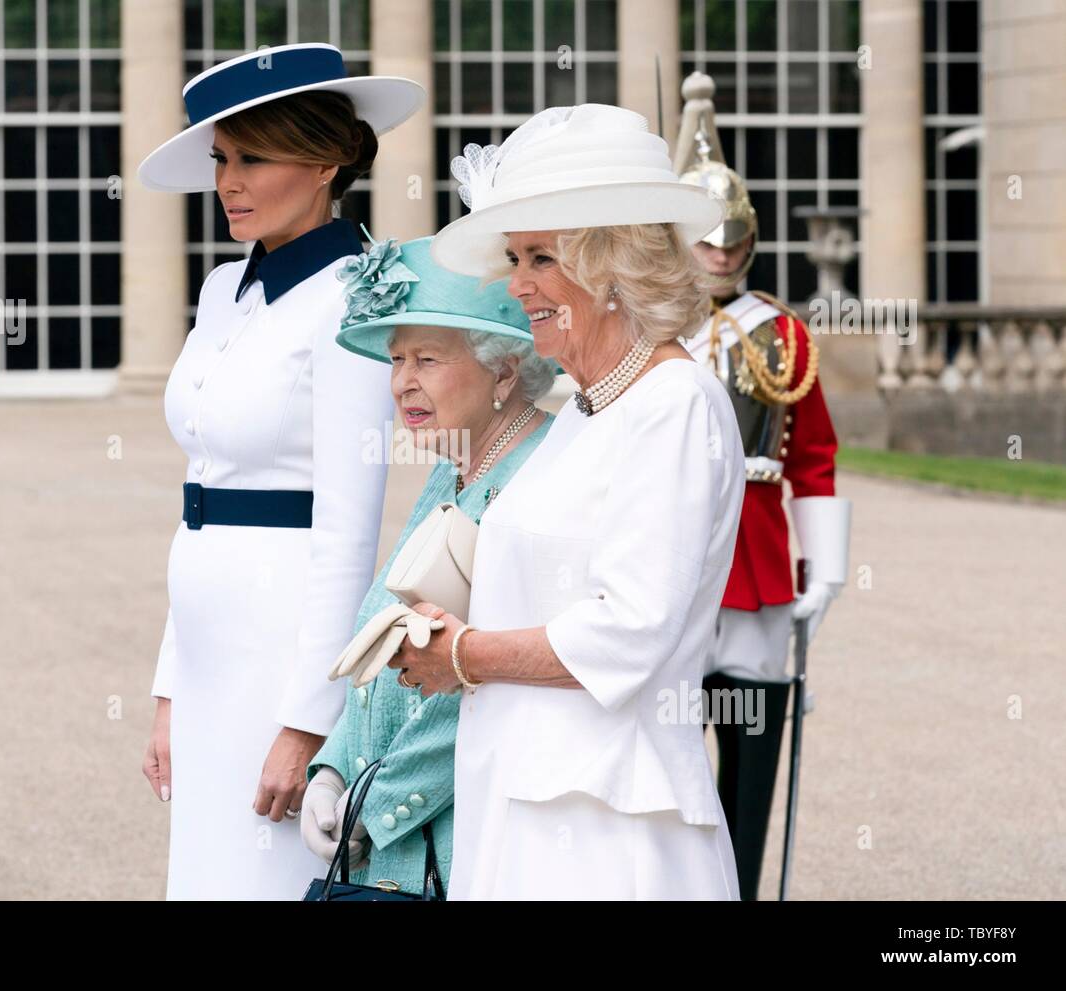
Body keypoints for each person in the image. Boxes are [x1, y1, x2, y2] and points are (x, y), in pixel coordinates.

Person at [396, 104, 746, 900]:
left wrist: (462, 654)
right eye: (517, 258)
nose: (518, 285)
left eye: (542, 259)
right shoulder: (583, 411)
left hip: (607, 818)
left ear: (614, 266)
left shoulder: (674, 404)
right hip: (521, 797)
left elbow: (630, 628)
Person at [135, 43, 424, 899]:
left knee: (264, 877)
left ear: (327, 159)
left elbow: (347, 525)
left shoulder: (351, 298)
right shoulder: (225, 288)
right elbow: (201, 498)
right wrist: (166, 691)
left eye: (253, 158)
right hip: (205, 635)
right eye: (222, 159)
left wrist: (307, 722)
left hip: (281, 643)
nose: (228, 180)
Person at [299, 236, 556, 895]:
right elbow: (380, 633)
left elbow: (479, 675)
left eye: (427, 359)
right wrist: (330, 769)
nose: (401, 382)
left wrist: (376, 803)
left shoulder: (538, 477)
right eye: (396, 360)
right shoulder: (455, 466)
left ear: (503, 371)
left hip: (460, 845)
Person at [674, 71, 851, 900]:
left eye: (728, 239)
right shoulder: (645, 325)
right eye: (704, 239)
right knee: (661, 752)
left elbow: (812, 456)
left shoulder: (780, 333)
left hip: (755, 563)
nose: (718, 253)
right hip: (666, 554)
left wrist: (829, 566)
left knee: (749, 763)